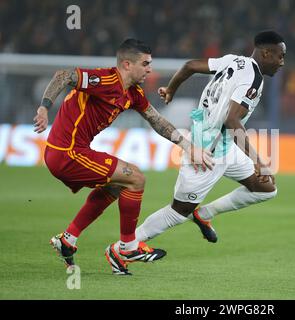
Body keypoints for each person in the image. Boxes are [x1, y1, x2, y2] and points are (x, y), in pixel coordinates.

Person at [33, 39, 213, 275]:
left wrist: (188, 147)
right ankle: (127, 247)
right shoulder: (105, 80)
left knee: (119, 185)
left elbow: (156, 120)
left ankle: (68, 239)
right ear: (127, 64)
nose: (150, 69)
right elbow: (64, 75)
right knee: (136, 178)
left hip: (75, 151)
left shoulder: (133, 93)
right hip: (67, 152)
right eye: (145, 64)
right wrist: (45, 107)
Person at [134, 31, 285, 245]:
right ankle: (125, 247)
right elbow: (231, 121)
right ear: (266, 53)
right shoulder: (254, 80)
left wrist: (171, 89)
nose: (282, 62)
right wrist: (258, 162)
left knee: (266, 188)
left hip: (224, 145)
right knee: (178, 212)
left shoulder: (234, 60)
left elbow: (190, 66)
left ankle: (203, 215)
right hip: (207, 151)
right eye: (280, 56)